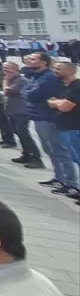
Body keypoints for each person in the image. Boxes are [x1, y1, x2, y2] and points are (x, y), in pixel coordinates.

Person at [24, 52, 76, 195]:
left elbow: (32, 95)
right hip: (39, 116)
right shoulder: (38, 76)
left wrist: (29, 93)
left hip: (47, 117)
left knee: (60, 151)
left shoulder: (49, 78)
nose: (29, 61)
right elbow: (27, 91)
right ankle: (59, 178)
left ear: (44, 62)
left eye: (33, 59)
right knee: (50, 150)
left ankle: (70, 183)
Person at [49, 59, 80, 204]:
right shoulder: (65, 86)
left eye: (59, 69)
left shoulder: (76, 87)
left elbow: (65, 107)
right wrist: (57, 102)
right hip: (66, 128)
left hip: (74, 129)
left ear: (69, 71)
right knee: (74, 159)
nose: (55, 71)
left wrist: (56, 102)